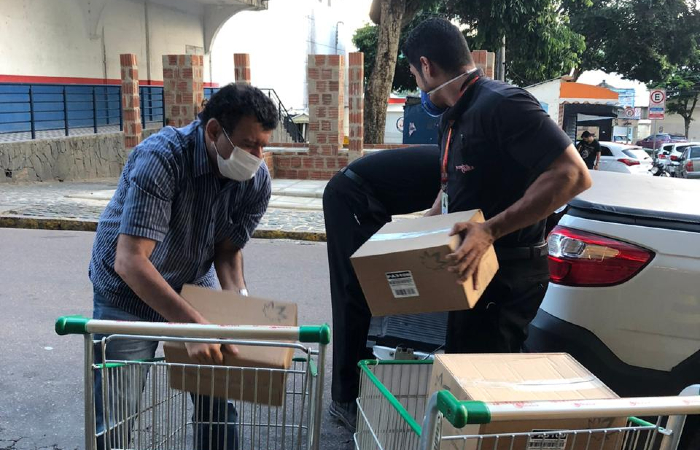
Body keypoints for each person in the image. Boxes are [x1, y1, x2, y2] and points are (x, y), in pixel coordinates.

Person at [88, 83, 278, 449]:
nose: (257, 156)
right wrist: (191, 326)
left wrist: (238, 305)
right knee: (116, 410)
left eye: (263, 145)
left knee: (217, 401)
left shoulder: (255, 182)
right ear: (213, 131)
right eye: (250, 144)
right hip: (126, 289)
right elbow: (130, 260)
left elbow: (226, 252)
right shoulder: (162, 158)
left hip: (191, 279)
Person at [402, 19, 592, 355]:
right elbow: (454, 183)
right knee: (460, 370)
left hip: (508, 274)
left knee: (483, 385)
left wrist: (489, 230)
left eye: (415, 76)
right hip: (470, 266)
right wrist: (424, 228)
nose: (417, 84)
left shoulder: (503, 103)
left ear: (426, 67)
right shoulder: (453, 115)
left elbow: (573, 175)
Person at [324, 146, 440, 431]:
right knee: (356, 297)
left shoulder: (474, 158)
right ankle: (344, 399)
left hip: (371, 203)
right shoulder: (467, 162)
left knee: (373, 299)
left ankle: (365, 386)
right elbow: (437, 214)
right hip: (350, 198)